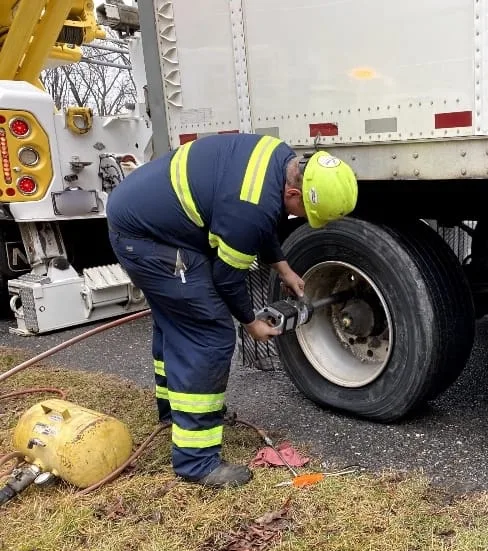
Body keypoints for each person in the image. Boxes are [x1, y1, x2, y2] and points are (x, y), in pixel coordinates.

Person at [105, 133, 358, 488]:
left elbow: (261, 219)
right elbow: (228, 278)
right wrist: (251, 322)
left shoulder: (280, 159)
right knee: (208, 334)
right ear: (294, 193)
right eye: (301, 212)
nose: (294, 216)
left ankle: (174, 414)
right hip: (148, 240)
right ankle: (196, 462)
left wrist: (283, 268)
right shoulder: (251, 205)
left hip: (146, 220)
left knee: (176, 324)